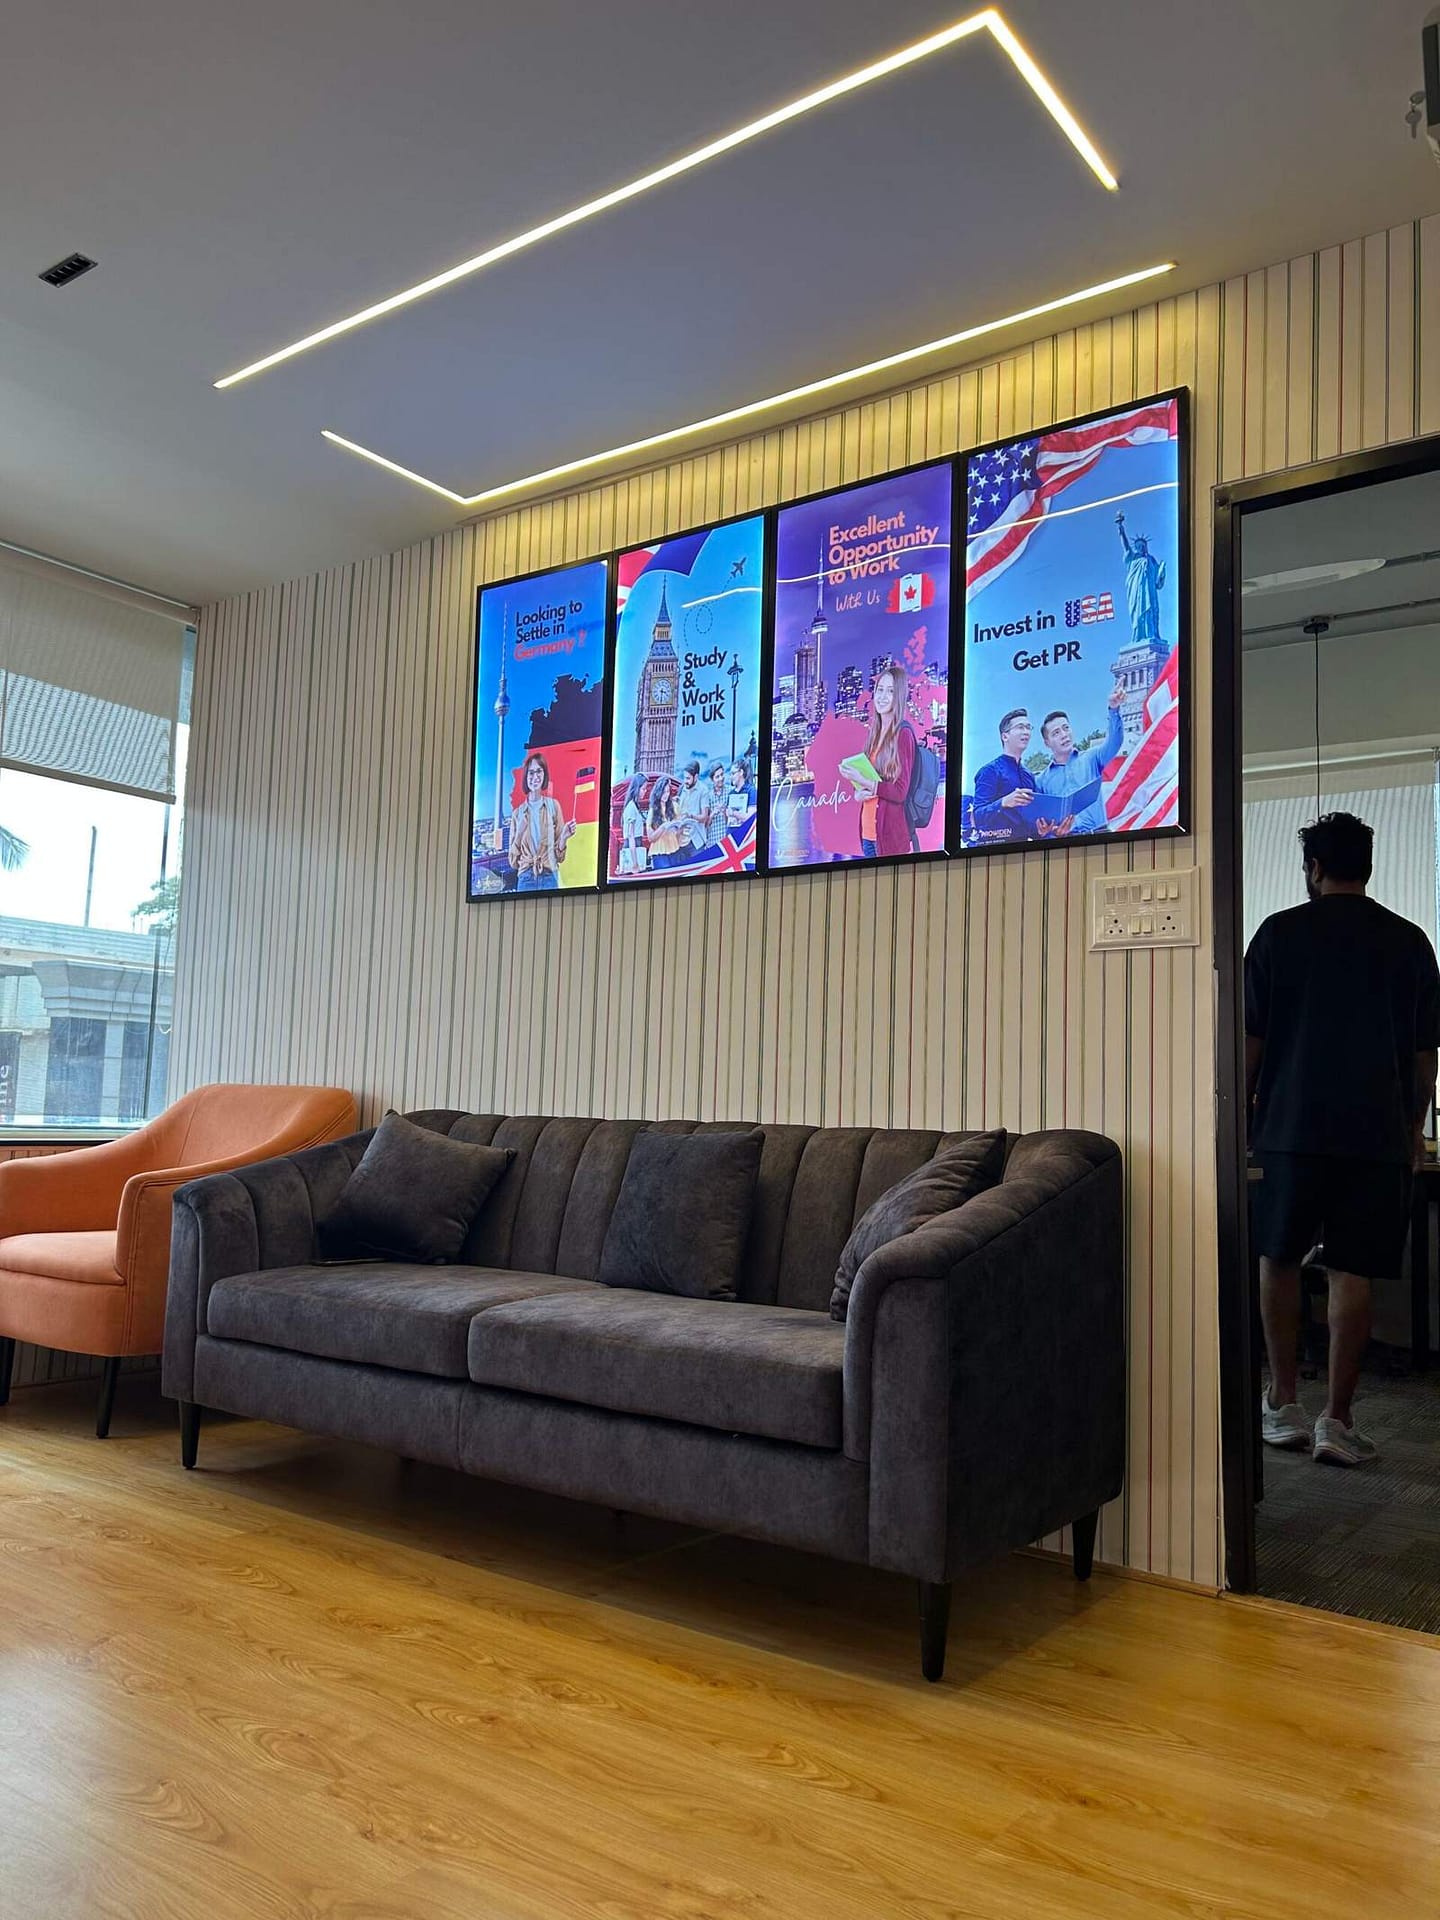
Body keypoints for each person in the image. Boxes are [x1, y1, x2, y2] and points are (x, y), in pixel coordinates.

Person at [1246, 812, 1440, 1466]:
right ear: (1369, 867)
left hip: (1288, 1131)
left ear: (1314, 868)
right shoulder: (1409, 942)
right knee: (1352, 1271)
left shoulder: (1277, 934)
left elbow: (1249, 1045)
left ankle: (1283, 1406)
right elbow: (1424, 1058)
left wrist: (1239, 1125)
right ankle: (1338, 1419)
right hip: (1374, 1132)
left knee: (1278, 1259)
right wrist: (1412, 1134)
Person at [1035, 686, 1125, 834]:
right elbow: (1042, 821)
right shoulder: (1041, 781)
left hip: (1101, 834)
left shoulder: (1091, 757)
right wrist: (1052, 831)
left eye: (1066, 728)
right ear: (1047, 743)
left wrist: (1113, 709)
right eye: (1056, 733)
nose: (1064, 735)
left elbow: (1115, 742)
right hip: (1066, 841)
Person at [848, 665, 917, 858]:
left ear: (899, 696)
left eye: (891, 691)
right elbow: (873, 785)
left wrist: (865, 781)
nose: (882, 696)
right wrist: (858, 794)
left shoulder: (903, 734)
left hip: (889, 839)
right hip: (868, 836)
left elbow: (900, 792)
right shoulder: (874, 736)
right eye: (880, 690)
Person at [508, 752, 573, 892]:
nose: (535, 777)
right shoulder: (517, 814)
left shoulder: (554, 806)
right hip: (526, 879)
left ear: (544, 775)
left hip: (550, 876)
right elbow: (513, 862)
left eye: (539, 771)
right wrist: (519, 833)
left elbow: (559, 857)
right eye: (531, 773)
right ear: (526, 777)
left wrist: (563, 838)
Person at [970, 709, 1037, 841]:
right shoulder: (990, 771)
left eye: (1028, 727)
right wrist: (1004, 802)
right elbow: (978, 817)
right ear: (1005, 736)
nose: (1026, 732)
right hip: (995, 848)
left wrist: (1040, 830)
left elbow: (1031, 820)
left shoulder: (1029, 775)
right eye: (1020, 727)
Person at [673, 759, 711, 855]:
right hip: (680, 840)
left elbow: (704, 817)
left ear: (696, 777)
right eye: (684, 778)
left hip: (695, 841)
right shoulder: (681, 788)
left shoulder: (703, 790)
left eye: (688, 778)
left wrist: (690, 816)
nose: (685, 781)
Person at [725, 758, 755, 831]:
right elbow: (728, 820)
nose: (731, 777)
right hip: (731, 834)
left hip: (745, 834)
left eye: (733, 773)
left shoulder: (751, 791)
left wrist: (733, 813)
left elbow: (750, 818)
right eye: (730, 774)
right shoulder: (731, 794)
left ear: (741, 772)